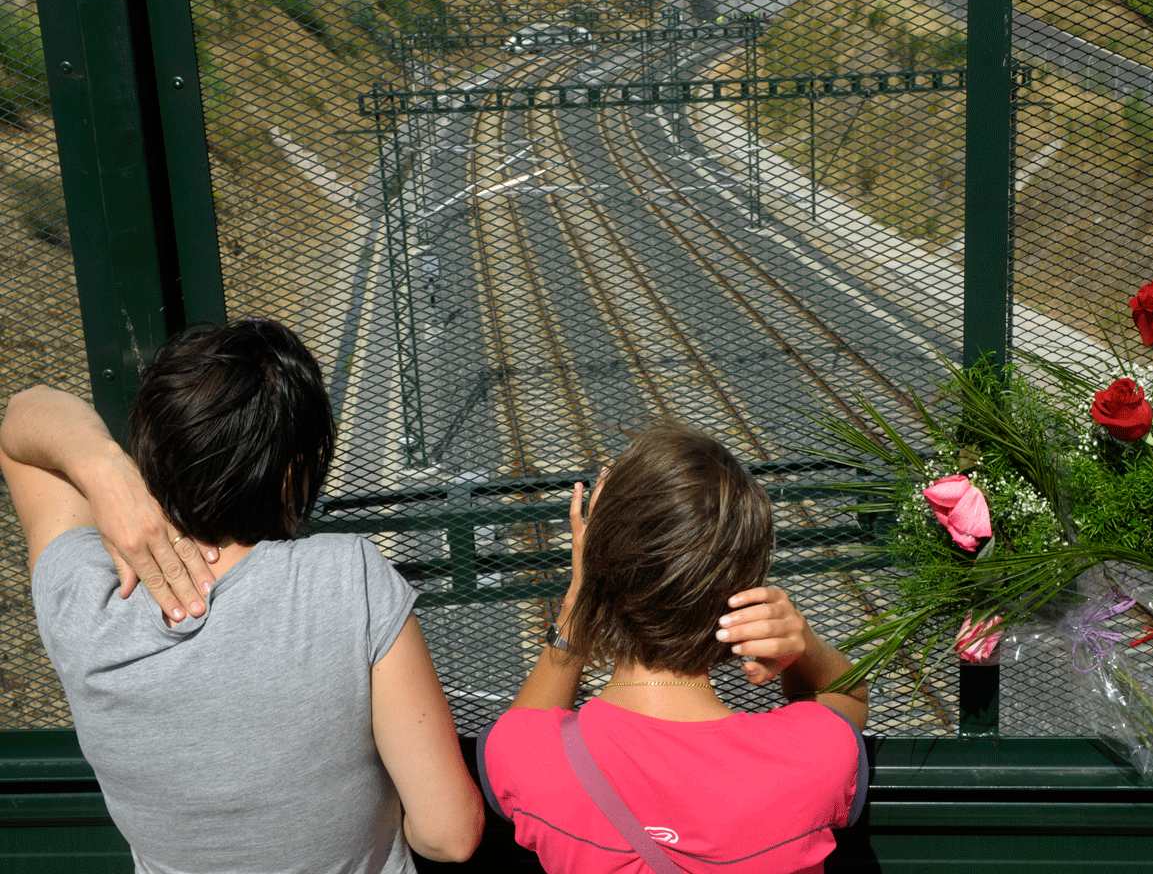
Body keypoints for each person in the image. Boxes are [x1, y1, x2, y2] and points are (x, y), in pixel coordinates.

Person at [0, 318, 484, 873]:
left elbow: (23, 418)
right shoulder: (346, 580)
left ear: (150, 446)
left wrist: (104, 471)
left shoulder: (85, 601)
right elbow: (449, 835)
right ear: (293, 474)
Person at [477, 420, 869, 873]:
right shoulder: (814, 759)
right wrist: (804, 644)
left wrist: (580, 596)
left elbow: (527, 722)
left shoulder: (526, 757)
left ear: (599, 576)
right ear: (745, 592)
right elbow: (850, 698)